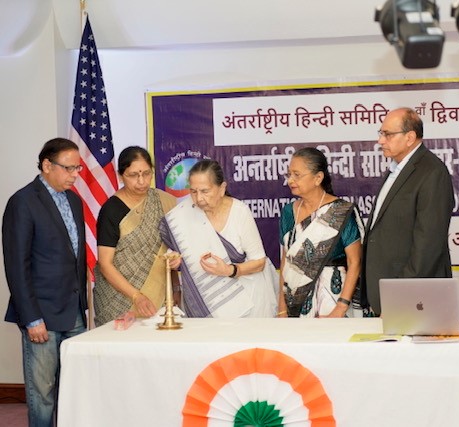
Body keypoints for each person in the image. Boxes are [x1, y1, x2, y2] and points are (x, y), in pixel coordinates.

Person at [3, 138, 87, 426]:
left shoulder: (74, 200)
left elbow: (74, 257)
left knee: (73, 389)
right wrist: (31, 318)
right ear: (47, 165)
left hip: (74, 312)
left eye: (77, 168)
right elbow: (17, 265)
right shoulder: (23, 202)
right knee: (43, 395)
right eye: (68, 168)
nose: (75, 175)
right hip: (42, 316)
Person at [361, 107, 454, 315]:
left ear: (410, 137)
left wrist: (400, 294)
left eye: (388, 134)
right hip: (388, 291)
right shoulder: (397, 169)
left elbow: (428, 244)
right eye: (381, 133)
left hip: (413, 298)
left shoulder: (432, 172)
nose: (380, 141)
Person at [161, 159, 277, 318]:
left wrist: (229, 270)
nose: (199, 198)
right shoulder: (184, 215)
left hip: (249, 301)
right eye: (193, 192)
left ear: (222, 188)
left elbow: (259, 263)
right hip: (206, 303)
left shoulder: (239, 212)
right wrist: (177, 260)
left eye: (205, 191)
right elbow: (182, 253)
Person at [93, 146, 176, 326]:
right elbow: (105, 264)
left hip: (156, 295)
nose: (141, 181)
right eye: (133, 175)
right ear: (120, 176)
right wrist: (136, 296)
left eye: (146, 174)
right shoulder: (111, 210)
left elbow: (178, 246)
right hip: (116, 299)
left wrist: (177, 260)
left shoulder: (164, 202)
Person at [278, 147, 365, 318]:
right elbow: (285, 262)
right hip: (295, 304)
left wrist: (340, 307)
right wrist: (282, 309)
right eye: (289, 174)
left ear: (318, 178)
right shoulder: (288, 212)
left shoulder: (340, 212)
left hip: (333, 300)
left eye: (297, 175)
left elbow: (355, 262)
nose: (290, 180)